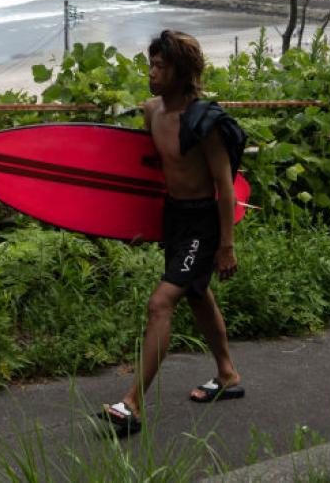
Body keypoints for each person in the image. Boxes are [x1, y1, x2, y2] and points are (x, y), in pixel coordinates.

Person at [101, 29, 246, 435]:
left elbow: (225, 188)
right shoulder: (151, 112)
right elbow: (147, 174)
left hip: (202, 221)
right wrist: (135, 224)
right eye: (151, 65)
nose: (152, 73)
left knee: (160, 304)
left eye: (161, 67)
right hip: (173, 217)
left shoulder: (205, 124)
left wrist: (226, 246)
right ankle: (228, 374)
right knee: (197, 295)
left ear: (182, 73)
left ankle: (132, 403)